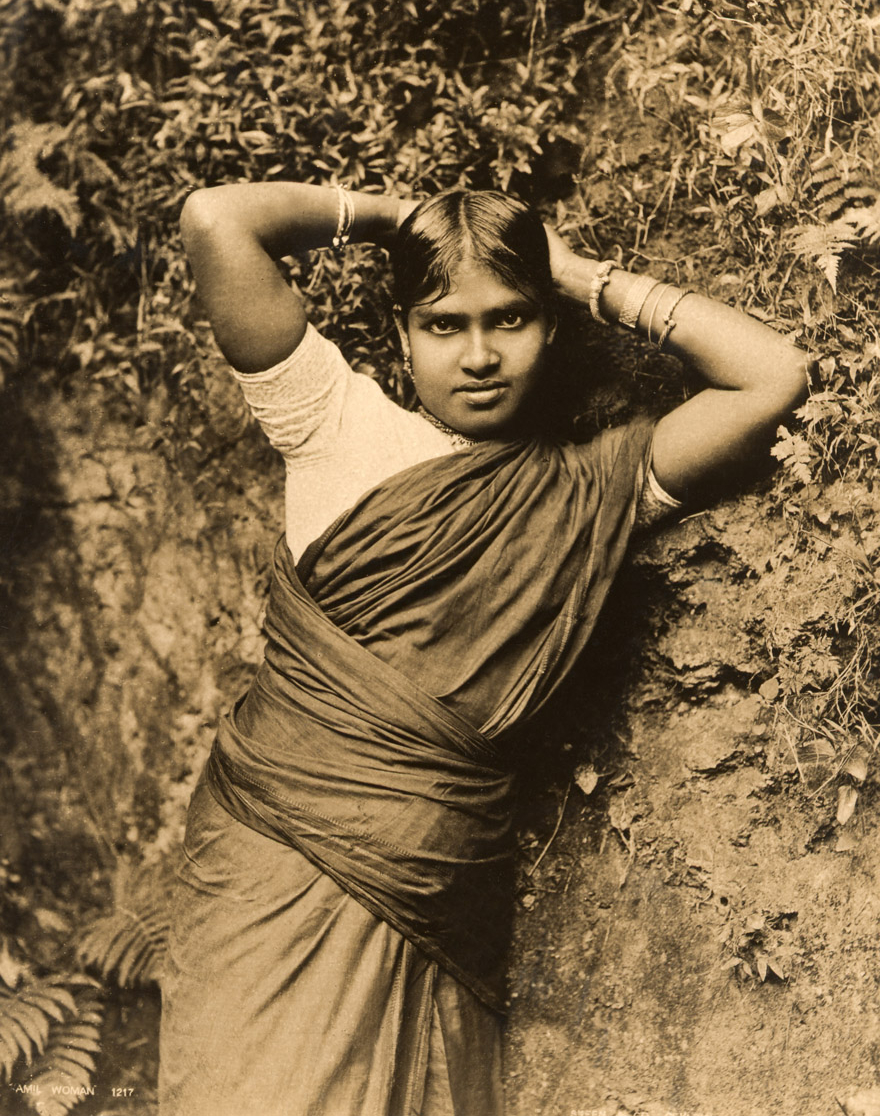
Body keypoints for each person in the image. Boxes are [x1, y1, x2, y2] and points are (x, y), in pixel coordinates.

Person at [158, 181, 808, 1116]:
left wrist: (582, 278)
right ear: (402, 333)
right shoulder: (331, 423)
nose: (478, 355)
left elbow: (773, 377)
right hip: (267, 865)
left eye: (510, 318)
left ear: (549, 327)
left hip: (432, 891)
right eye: (443, 324)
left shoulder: (587, 491)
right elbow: (217, 220)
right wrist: (400, 218)